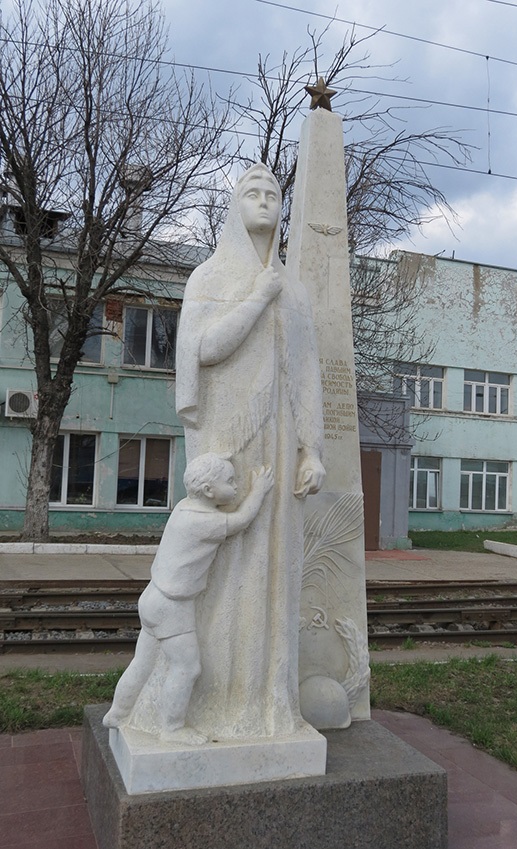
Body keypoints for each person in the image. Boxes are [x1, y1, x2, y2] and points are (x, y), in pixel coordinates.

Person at [121, 163, 325, 741]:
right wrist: (257, 300)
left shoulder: (297, 291)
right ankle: (198, 707)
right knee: (225, 569)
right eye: (252, 194)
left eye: (273, 195)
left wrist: (313, 450)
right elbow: (202, 350)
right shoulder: (209, 277)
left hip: (279, 445)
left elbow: (307, 373)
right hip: (226, 442)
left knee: (275, 564)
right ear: (235, 207)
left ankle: (265, 702)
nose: (264, 202)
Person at [103, 455, 273, 743]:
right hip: (173, 605)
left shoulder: (184, 508)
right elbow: (241, 520)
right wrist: (258, 491)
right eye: (230, 481)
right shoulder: (206, 522)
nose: (236, 486)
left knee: (142, 663)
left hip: (153, 597)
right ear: (208, 490)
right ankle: (172, 728)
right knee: (187, 667)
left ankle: (118, 713)